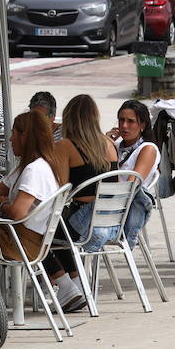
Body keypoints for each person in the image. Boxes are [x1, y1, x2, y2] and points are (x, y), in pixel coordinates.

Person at [44, 94, 117, 312]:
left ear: (69, 119)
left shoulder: (66, 146)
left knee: (36, 231)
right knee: (58, 230)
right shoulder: (110, 144)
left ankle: (66, 285)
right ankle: (76, 285)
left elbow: (60, 189)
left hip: (83, 220)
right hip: (110, 221)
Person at [0, 111, 64, 265]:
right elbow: (0, 189)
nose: (10, 139)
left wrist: (3, 204)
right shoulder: (37, 164)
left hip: (22, 244)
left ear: (24, 137)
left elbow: (18, 213)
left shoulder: (34, 169)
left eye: (13, 134)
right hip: (29, 240)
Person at [110, 99, 160, 245]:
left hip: (122, 210)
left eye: (130, 121)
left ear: (142, 125)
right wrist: (104, 143)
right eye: (121, 120)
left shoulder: (147, 149)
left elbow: (131, 186)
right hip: (107, 202)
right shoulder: (116, 145)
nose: (124, 126)